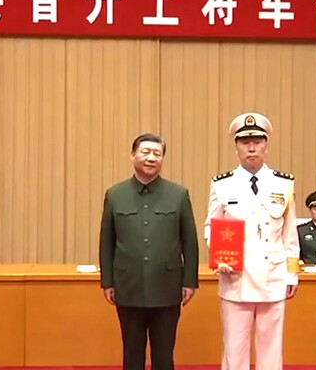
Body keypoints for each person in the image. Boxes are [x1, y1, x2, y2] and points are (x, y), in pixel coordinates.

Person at [204, 112, 299, 370]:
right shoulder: (222, 184)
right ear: (236, 147)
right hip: (236, 276)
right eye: (245, 142)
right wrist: (219, 255)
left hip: (273, 275)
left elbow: (290, 235)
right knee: (234, 348)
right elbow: (212, 226)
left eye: (257, 141)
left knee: (271, 348)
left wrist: (292, 275)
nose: (252, 148)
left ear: (266, 145)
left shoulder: (283, 183)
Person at [99, 133, 199, 370]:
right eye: (145, 152)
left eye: (157, 153)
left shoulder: (178, 194)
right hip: (128, 286)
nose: (151, 158)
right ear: (133, 155)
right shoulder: (115, 194)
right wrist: (107, 281)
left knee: (164, 354)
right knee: (132, 351)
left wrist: (189, 281)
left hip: (167, 286)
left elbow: (189, 241)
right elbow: (107, 241)